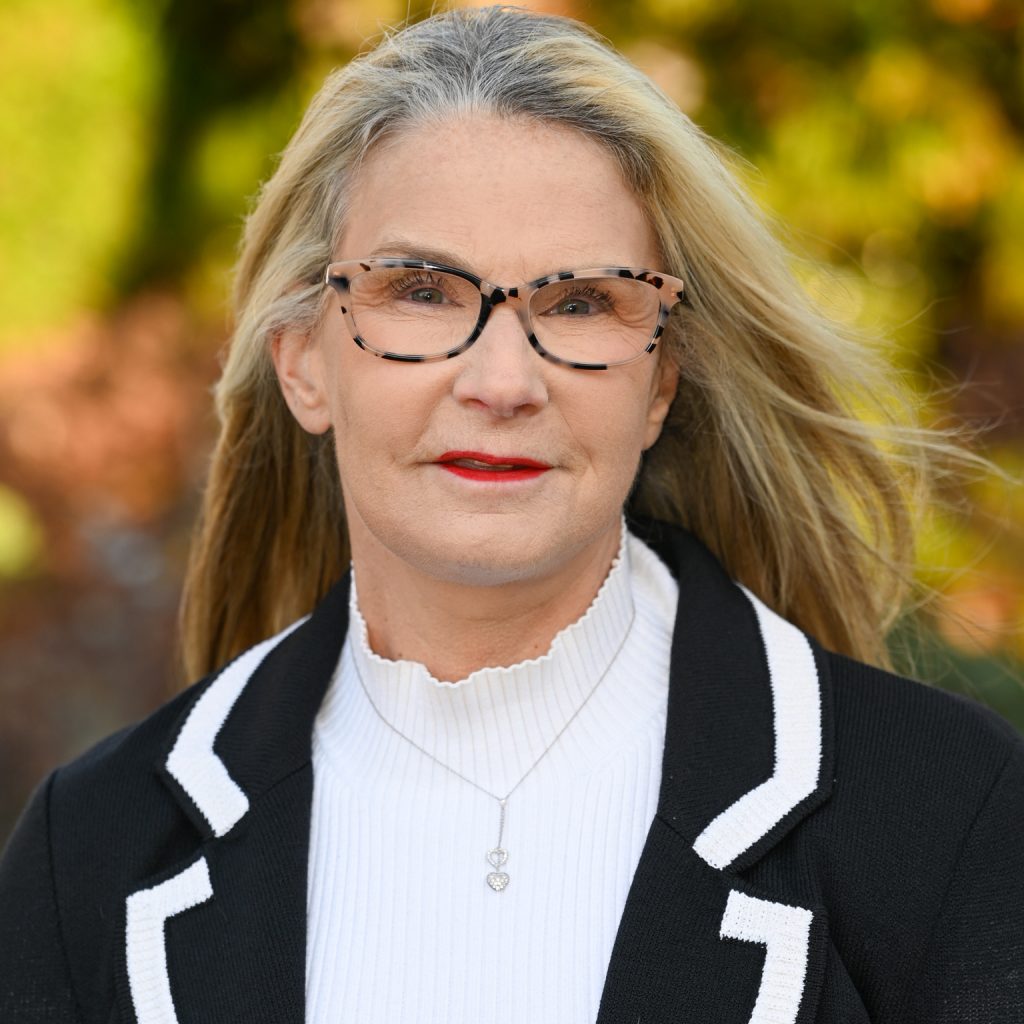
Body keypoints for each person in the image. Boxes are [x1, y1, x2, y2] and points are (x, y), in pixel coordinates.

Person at [1, 6, 1022, 1023]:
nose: (501, 382)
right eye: (421, 291)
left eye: (579, 303)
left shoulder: (949, 813)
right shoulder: (86, 855)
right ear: (303, 362)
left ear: (660, 381)